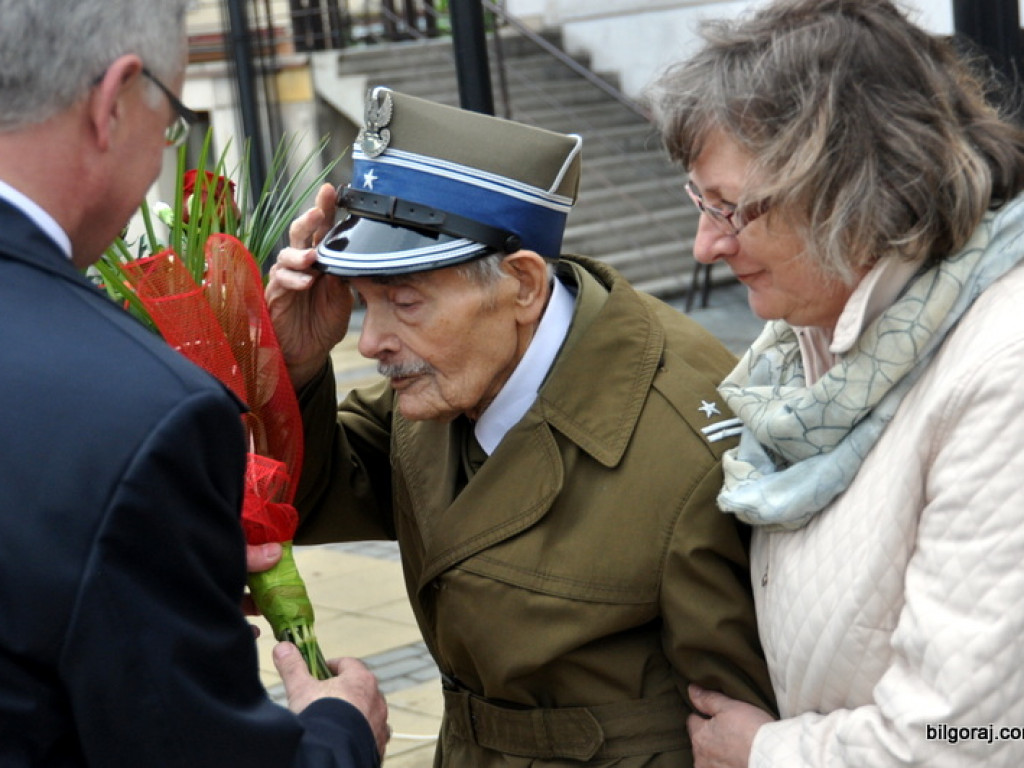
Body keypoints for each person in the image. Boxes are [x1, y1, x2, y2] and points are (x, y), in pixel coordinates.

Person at [264, 86, 776, 767]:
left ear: (525, 285)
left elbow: (737, 729)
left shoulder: (682, 444)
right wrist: (295, 368)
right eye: (363, 301)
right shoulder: (454, 375)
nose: (370, 342)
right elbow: (310, 495)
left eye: (405, 302)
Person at [0, 1, 388, 765]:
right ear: (115, 101)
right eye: (172, 117)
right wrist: (340, 731)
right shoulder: (144, 409)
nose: (163, 154)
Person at [646, 0, 1024, 765]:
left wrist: (766, 753)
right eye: (700, 202)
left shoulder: (1002, 375)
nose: (705, 245)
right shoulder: (813, 340)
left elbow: (976, 739)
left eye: (731, 209)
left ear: (856, 192)